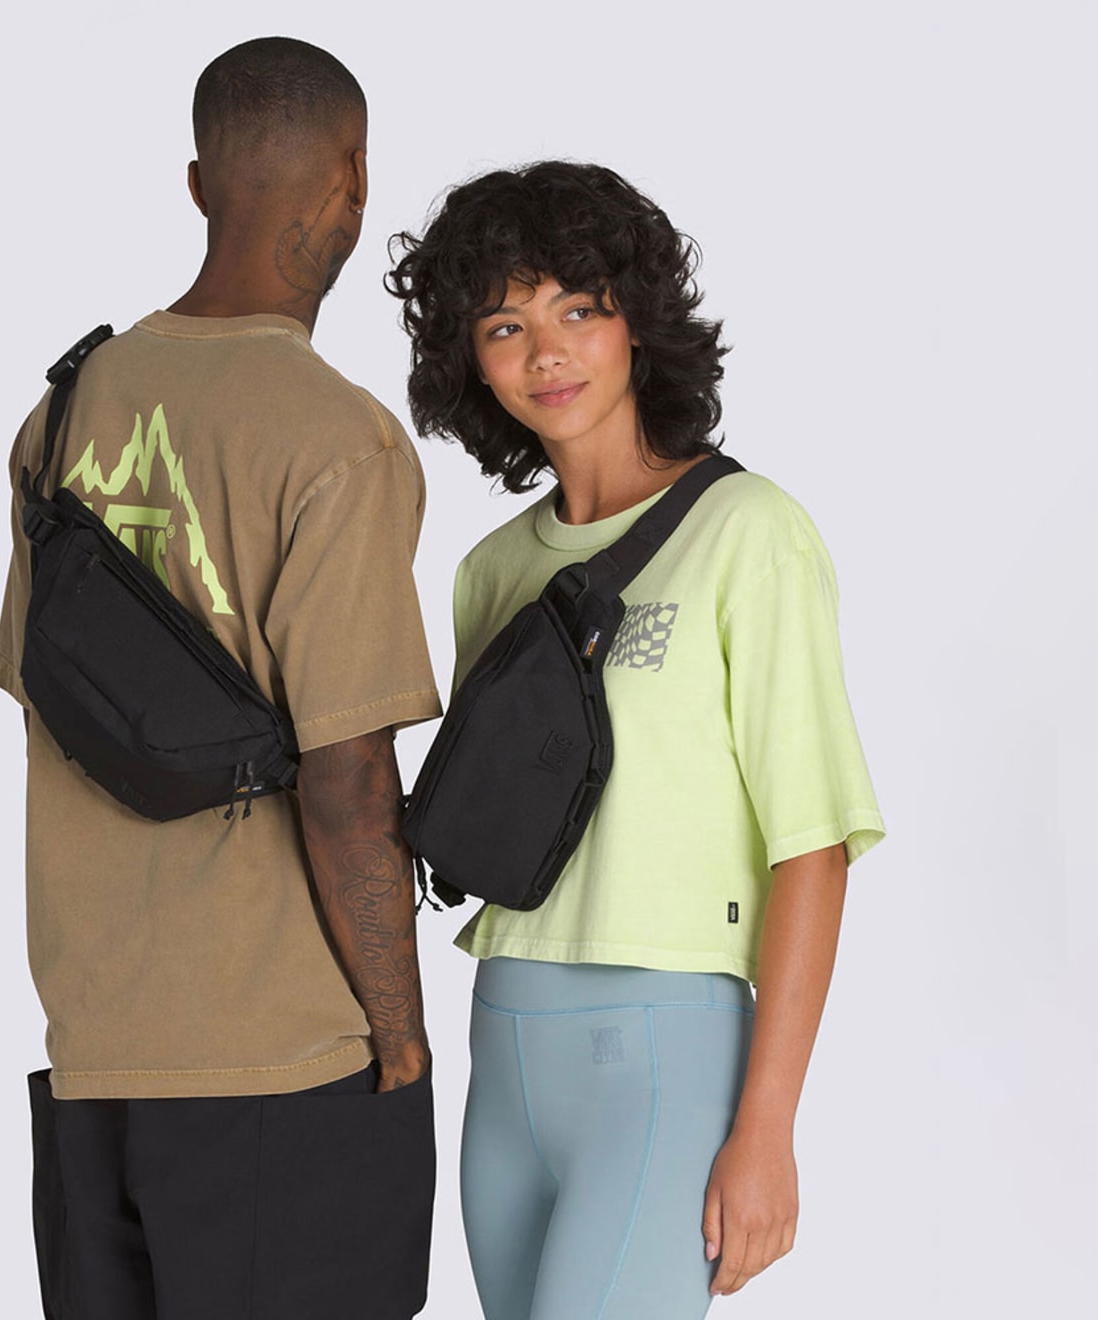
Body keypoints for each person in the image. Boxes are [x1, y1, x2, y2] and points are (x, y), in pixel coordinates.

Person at [0, 37, 441, 1320]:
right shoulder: (340, 441)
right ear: (355, 179)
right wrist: (398, 1034)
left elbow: (47, 703)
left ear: (197, 184)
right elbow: (349, 780)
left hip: (95, 1054)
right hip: (281, 1061)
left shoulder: (61, 415)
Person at [387, 161, 885, 1319]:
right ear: (472, 360)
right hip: (503, 1043)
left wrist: (767, 1127)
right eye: (505, 326)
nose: (545, 353)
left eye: (578, 309)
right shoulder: (492, 573)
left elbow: (812, 846)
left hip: (664, 1049)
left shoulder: (749, 532)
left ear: (636, 322)